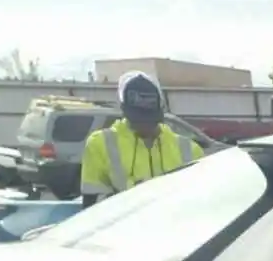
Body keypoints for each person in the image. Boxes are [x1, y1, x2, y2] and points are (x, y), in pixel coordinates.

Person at [78, 72, 199, 205]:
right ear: (123, 110)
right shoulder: (100, 144)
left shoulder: (189, 149)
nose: (145, 125)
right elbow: (92, 205)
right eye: (137, 120)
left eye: (151, 119)